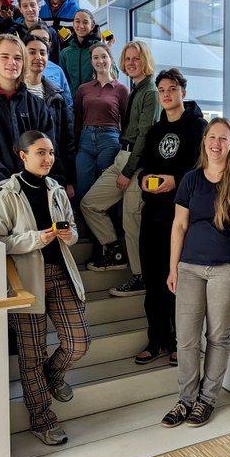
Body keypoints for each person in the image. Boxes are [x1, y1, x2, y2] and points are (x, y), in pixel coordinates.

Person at [0, 129, 89, 446]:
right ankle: (42, 419)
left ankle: (52, 375)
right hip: (27, 282)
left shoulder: (57, 190)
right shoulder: (6, 196)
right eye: (41, 152)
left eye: (52, 152)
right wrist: (35, 239)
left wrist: (68, 235)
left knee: (79, 342)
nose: (48, 158)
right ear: (23, 155)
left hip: (60, 275)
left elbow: (72, 230)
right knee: (30, 357)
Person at [161, 117, 230, 429]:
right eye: (211, 137)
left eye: (223, 138)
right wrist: (173, 267)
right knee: (186, 339)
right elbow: (179, 225)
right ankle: (185, 399)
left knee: (217, 335)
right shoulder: (191, 179)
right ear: (205, 141)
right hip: (190, 267)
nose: (216, 144)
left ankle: (206, 400)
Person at [135, 68, 207, 366]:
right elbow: (145, 165)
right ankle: (157, 340)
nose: (166, 94)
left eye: (172, 89)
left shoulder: (199, 127)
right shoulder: (154, 131)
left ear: (183, 92)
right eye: (162, 89)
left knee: (178, 280)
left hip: (182, 217)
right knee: (153, 280)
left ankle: (181, 342)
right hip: (153, 213)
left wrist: (175, 180)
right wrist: (143, 180)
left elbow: (203, 169)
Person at [80, 41, 160, 297]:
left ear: (145, 59)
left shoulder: (150, 90)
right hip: (121, 156)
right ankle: (112, 249)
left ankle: (141, 277)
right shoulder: (135, 88)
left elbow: (146, 136)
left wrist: (128, 172)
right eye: (127, 59)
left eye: (136, 58)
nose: (131, 63)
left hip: (136, 164)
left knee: (131, 222)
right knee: (89, 204)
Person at [0, 34, 55, 204]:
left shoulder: (37, 105)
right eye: (5, 56)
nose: (12, 63)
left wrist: (29, 185)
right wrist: (10, 189)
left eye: (17, 58)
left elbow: (47, 150)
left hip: (34, 191)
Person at [72, 43, 129, 202]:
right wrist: (74, 144)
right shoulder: (83, 89)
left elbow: (125, 123)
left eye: (104, 56)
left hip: (109, 140)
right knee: (81, 185)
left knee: (104, 187)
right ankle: (80, 225)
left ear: (111, 59)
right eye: (95, 57)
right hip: (85, 140)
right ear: (91, 62)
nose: (100, 61)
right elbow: (77, 120)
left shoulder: (121, 90)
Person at [23, 34, 76, 196]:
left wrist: (70, 180)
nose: (38, 57)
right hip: (23, 174)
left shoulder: (57, 96)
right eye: (32, 52)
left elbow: (67, 141)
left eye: (43, 53)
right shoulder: (14, 94)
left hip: (53, 171)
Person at [23, 22, 73, 110]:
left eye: (44, 40)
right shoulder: (18, 69)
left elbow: (68, 104)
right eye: (34, 38)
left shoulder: (57, 71)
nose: (38, 42)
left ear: (49, 45)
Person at [60, 9, 105, 98]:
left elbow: (113, 74)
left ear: (92, 26)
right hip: (72, 104)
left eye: (85, 22)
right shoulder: (65, 53)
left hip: (95, 102)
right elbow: (62, 82)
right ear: (73, 24)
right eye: (77, 21)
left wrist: (106, 51)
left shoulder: (99, 49)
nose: (81, 26)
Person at [10, 0, 61, 66]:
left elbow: (55, 61)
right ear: (20, 9)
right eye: (25, 6)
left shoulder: (51, 32)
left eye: (33, 5)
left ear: (39, 6)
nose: (30, 9)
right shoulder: (13, 32)